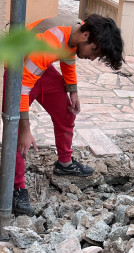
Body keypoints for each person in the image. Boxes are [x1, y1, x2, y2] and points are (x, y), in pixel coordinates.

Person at [3, 14, 124, 216]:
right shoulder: (50, 41)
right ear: (85, 35)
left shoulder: (75, 34)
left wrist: (72, 91)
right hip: (18, 70)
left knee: (66, 112)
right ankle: (16, 188)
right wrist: (25, 129)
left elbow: (68, 57)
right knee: (16, 132)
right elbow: (22, 88)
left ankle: (64, 163)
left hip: (40, 69)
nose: (92, 58)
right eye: (94, 51)